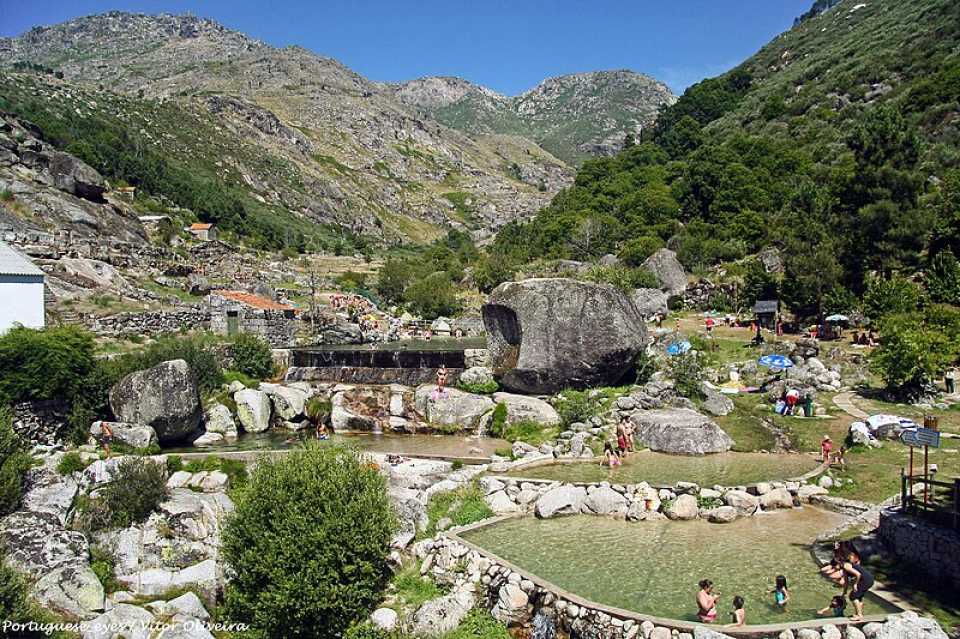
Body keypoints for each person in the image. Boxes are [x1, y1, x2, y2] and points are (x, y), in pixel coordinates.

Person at [843, 547, 875, 621]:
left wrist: (855, 584)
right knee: (859, 596)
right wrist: (844, 592)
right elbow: (846, 582)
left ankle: (859, 615)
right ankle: (858, 614)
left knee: (853, 596)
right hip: (870, 579)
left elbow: (858, 574)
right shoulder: (847, 565)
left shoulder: (846, 565)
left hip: (865, 579)